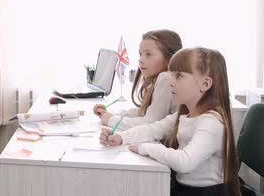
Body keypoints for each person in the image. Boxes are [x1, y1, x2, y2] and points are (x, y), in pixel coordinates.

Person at [100, 47, 241, 196]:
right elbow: (153, 129)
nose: (171, 82)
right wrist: (122, 137)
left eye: (179, 76)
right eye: (171, 75)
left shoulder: (210, 123)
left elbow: (184, 162)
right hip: (184, 188)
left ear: (205, 84)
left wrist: (146, 148)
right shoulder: (186, 113)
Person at [93, 30, 182, 130]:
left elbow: (150, 122)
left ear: (170, 58)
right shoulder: (159, 78)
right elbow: (143, 111)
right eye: (140, 54)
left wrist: (111, 120)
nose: (141, 59)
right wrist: (111, 114)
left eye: (148, 54)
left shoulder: (166, 78)